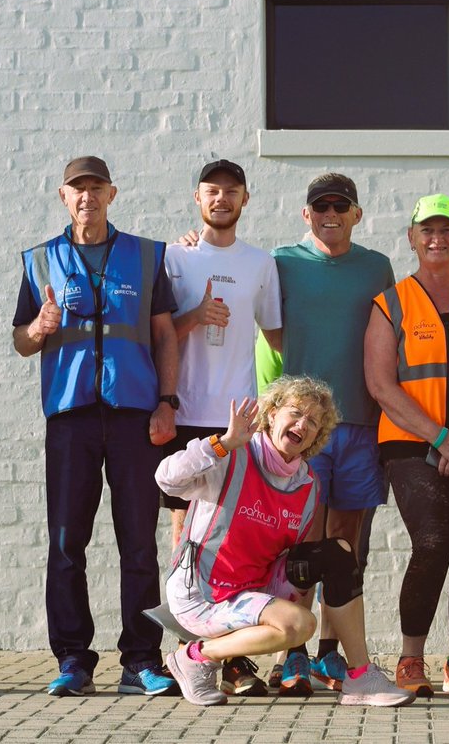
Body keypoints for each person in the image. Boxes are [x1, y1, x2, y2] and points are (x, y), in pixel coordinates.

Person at [12, 155, 179, 698]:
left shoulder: (147, 256)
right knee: (66, 542)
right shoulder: (41, 261)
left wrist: (167, 402)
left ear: (112, 193)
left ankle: (141, 661)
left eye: (96, 189)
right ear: (63, 196)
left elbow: (166, 336)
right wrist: (40, 325)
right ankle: (72, 660)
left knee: (139, 542)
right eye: (77, 189)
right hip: (70, 417)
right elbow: (19, 340)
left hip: (134, 415)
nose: (87, 197)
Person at [157, 376, 413, 708]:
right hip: (203, 593)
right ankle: (196, 657)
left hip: (253, 590)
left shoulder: (307, 483)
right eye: (295, 413)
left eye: (313, 422)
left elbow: (294, 560)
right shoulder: (232, 454)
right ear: (272, 414)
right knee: (299, 624)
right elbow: (166, 478)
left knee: (338, 553)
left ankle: (360, 676)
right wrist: (223, 442)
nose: (302, 425)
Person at [365, 194, 449, 697]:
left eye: (447, 229)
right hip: (409, 446)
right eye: (427, 230)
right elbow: (381, 385)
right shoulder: (391, 303)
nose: (437, 238)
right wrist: (441, 438)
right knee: (432, 542)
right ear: (412, 237)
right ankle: (410, 657)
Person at [269, 173, 395, 694]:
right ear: (306, 214)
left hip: (361, 426)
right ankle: (291, 655)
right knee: (300, 542)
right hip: (304, 431)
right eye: (320, 205)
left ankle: (330, 656)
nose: (331, 213)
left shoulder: (376, 267)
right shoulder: (280, 262)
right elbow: (268, 326)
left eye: (341, 206)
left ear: (356, 214)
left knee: (346, 546)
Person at [162, 158, 282, 695]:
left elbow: (278, 338)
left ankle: (229, 654)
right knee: (184, 537)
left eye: (231, 192)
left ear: (244, 199)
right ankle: (184, 650)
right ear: (197, 197)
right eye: (212, 192)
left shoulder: (261, 263)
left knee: (235, 539)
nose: (221, 200)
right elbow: (157, 332)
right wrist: (196, 317)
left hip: (242, 419)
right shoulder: (174, 255)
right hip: (186, 413)